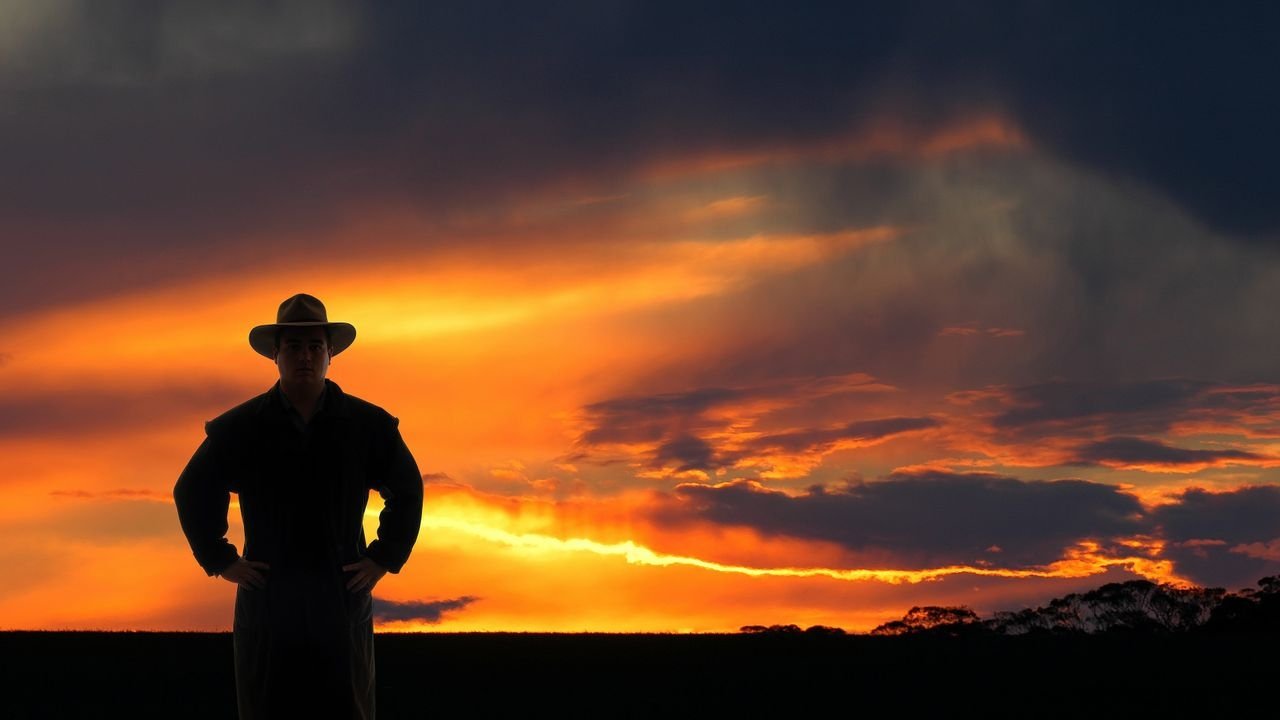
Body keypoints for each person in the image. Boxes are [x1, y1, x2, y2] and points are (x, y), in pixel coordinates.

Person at [174, 293, 424, 719]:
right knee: (268, 707)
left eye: (314, 347)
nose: (305, 357)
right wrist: (220, 558)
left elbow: (408, 489)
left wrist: (383, 557)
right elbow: (192, 488)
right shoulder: (242, 427)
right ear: (276, 354)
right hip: (269, 595)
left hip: (341, 592)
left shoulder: (368, 426)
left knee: (347, 707)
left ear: (331, 354)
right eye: (293, 347)